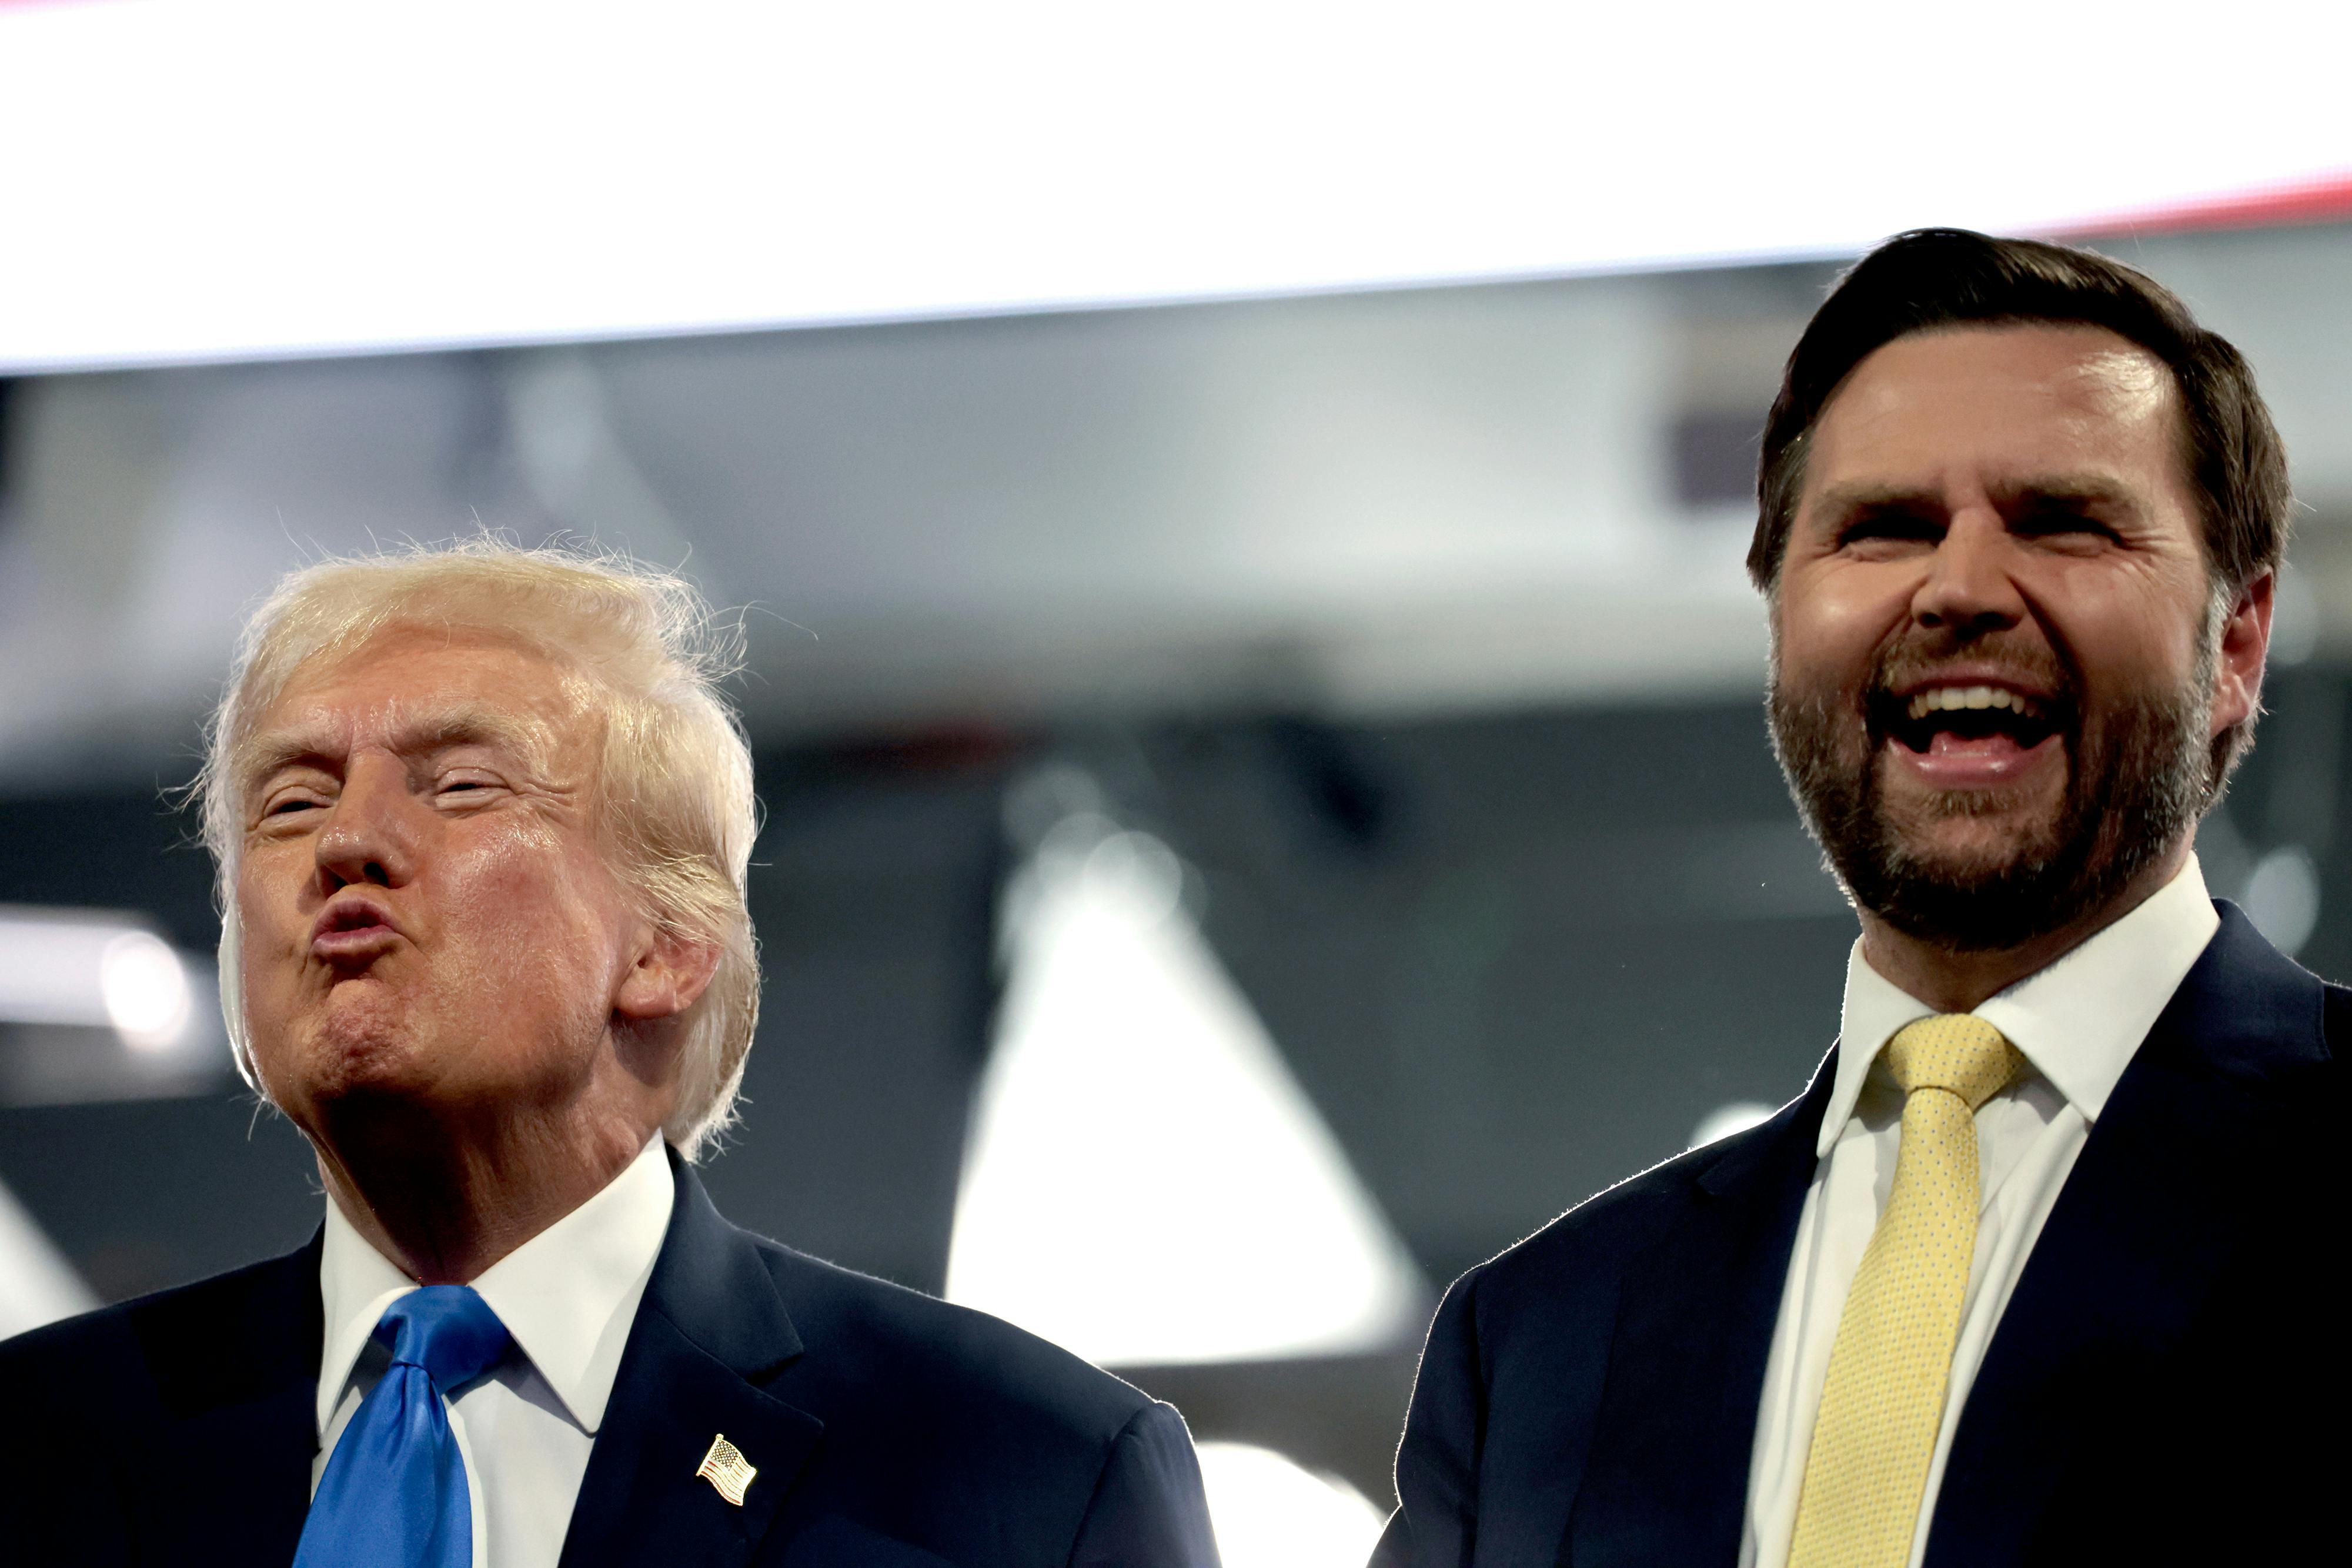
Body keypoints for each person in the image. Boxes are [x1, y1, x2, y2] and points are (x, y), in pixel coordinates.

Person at [1374, 229, 2341, 1567]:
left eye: (2060, 520)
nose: (1955, 587)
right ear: (1780, 625)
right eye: (1880, 528)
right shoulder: (1538, 1343)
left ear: (2232, 642)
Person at [0, 543, 1221, 1568]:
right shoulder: (26, 1447)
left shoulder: (1021, 1478)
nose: (348, 840)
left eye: (462, 784)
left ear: (671, 944)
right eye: (291, 802)